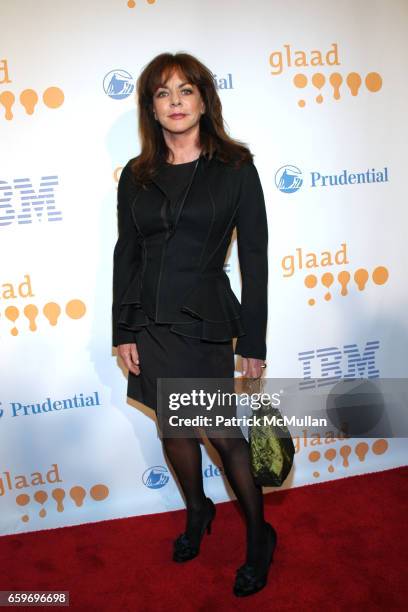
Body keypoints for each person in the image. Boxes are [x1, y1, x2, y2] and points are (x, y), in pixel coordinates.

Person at [112, 51, 276, 597]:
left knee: (225, 437)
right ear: (151, 108)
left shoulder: (234, 168)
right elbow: (126, 253)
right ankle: (199, 510)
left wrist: (253, 338)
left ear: (204, 99)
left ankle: (259, 536)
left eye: (185, 90)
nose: (175, 102)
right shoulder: (137, 176)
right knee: (174, 429)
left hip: (202, 322)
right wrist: (123, 329)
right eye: (163, 93)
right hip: (150, 324)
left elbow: (254, 256)